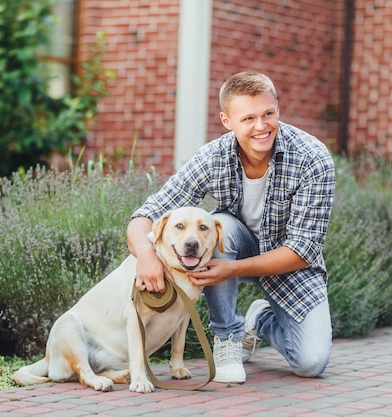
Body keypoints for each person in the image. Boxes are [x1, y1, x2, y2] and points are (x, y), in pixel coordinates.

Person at [127, 71, 336, 383]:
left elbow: (303, 250)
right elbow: (147, 214)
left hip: (291, 264)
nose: (261, 126)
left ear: (278, 108)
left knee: (311, 362)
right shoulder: (213, 157)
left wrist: (230, 270)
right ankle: (227, 339)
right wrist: (145, 255)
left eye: (268, 113)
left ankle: (259, 321)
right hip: (232, 246)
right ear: (227, 120)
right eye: (248, 118)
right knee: (218, 224)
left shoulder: (312, 158)